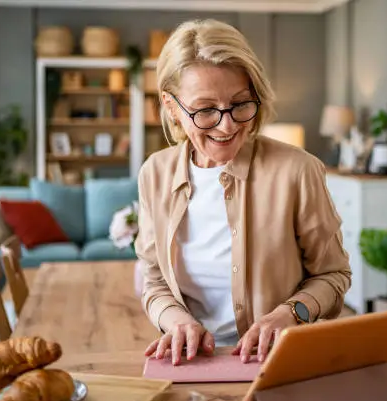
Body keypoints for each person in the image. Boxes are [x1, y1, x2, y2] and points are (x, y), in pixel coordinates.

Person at [134, 19, 351, 366]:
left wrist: (289, 315)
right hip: (189, 363)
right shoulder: (154, 174)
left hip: (280, 360)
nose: (227, 125)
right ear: (172, 106)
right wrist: (177, 322)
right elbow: (154, 279)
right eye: (205, 110)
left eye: (240, 104)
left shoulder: (298, 170)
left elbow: (333, 275)